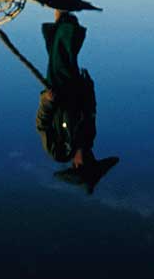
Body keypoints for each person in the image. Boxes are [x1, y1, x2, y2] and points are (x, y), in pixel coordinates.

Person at [35, 10, 119, 195]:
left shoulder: (58, 152)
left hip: (58, 90)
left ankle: (63, 16)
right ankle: (63, 16)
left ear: (76, 164)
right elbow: (91, 109)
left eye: (85, 164)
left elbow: (42, 125)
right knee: (62, 53)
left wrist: (47, 102)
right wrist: (89, 86)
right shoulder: (89, 137)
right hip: (75, 86)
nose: (90, 158)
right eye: (93, 161)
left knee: (61, 55)